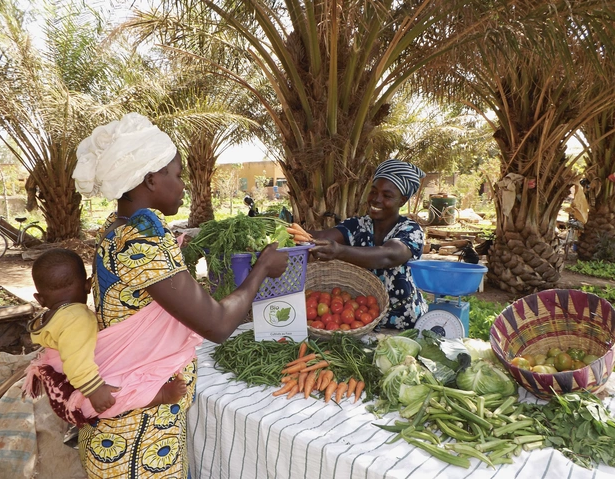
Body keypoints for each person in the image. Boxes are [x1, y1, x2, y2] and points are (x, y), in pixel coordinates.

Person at [69, 112, 288, 478]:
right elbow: (217, 324)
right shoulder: (142, 242)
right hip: (136, 442)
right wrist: (261, 270)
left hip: (132, 424)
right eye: (178, 173)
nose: (184, 184)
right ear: (152, 179)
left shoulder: (117, 228)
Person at [24, 248, 191, 426]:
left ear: (40, 299)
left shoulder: (51, 317)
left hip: (62, 384)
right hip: (77, 397)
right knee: (114, 397)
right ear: (88, 286)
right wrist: (94, 390)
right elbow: (76, 360)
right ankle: (161, 396)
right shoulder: (76, 318)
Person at [306, 159, 428, 330]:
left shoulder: (411, 231)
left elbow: (388, 255)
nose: (376, 199)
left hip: (403, 321)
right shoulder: (358, 225)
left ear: (402, 200)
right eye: (373, 191)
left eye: (387, 196)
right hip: (361, 320)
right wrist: (286, 232)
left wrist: (339, 251)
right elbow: (324, 236)